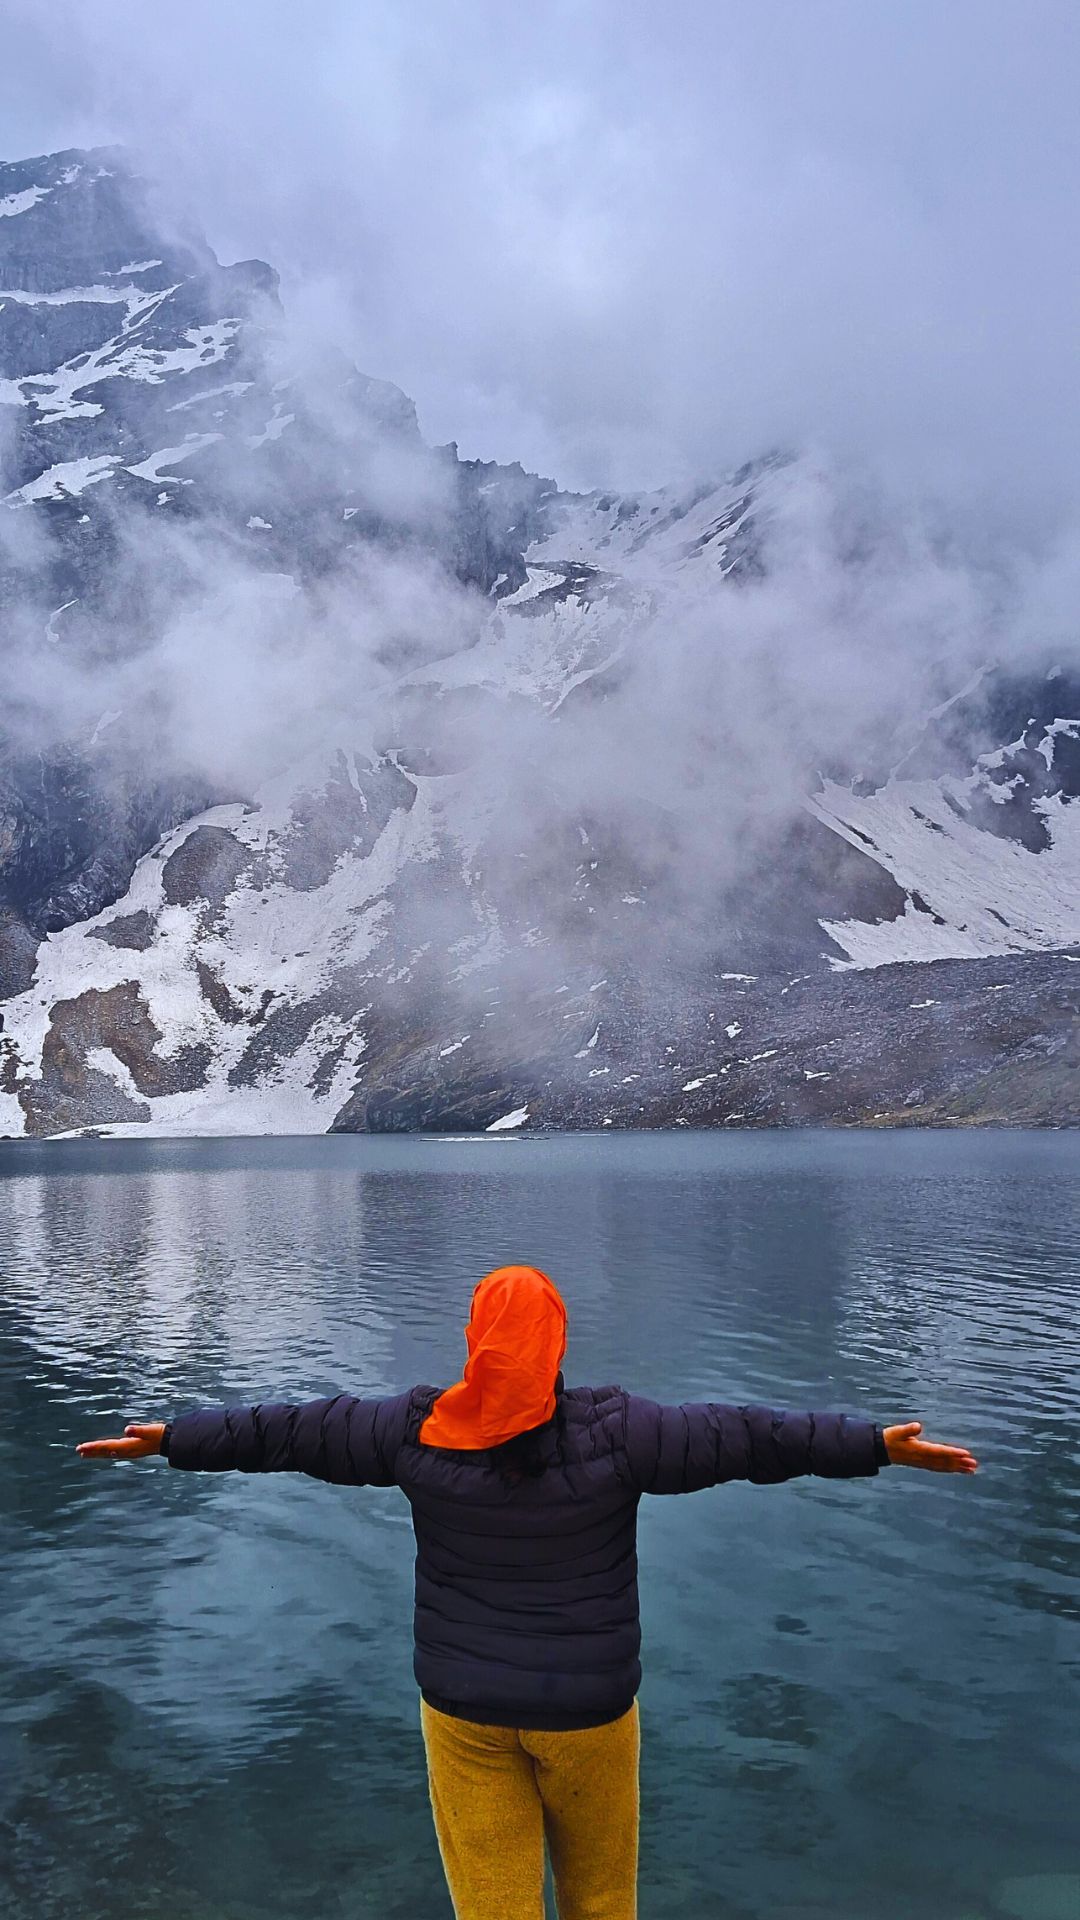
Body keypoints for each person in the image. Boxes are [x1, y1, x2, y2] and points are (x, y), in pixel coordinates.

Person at [77, 1263, 977, 1920]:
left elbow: (289, 1432)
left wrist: (174, 1440)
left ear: (475, 1339)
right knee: (599, 1902)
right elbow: (748, 1438)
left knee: (495, 1910)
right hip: (589, 1715)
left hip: (465, 1714)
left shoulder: (413, 1430)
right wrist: (871, 1445)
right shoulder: (622, 1435)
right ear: (556, 1345)